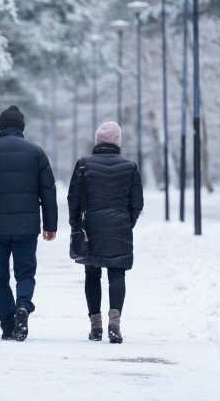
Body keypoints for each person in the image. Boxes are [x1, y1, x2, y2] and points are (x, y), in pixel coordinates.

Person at [0, 105, 58, 341]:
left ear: (0, 127)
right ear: (22, 128)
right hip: (27, 226)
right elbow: (48, 192)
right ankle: (23, 305)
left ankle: (7, 324)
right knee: (25, 273)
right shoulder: (36, 153)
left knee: (0, 277)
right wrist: (50, 225)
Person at [67, 121, 143, 344]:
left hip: (90, 227)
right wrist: (128, 222)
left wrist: (75, 224)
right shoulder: (130, 167)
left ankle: (96, 325)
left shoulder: (83, 165)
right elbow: (137, 203)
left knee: (92, 275)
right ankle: (114, 323)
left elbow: (73, 198)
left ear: (97, 141)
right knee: (117, 274)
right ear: (118, 142)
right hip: (120, 226)